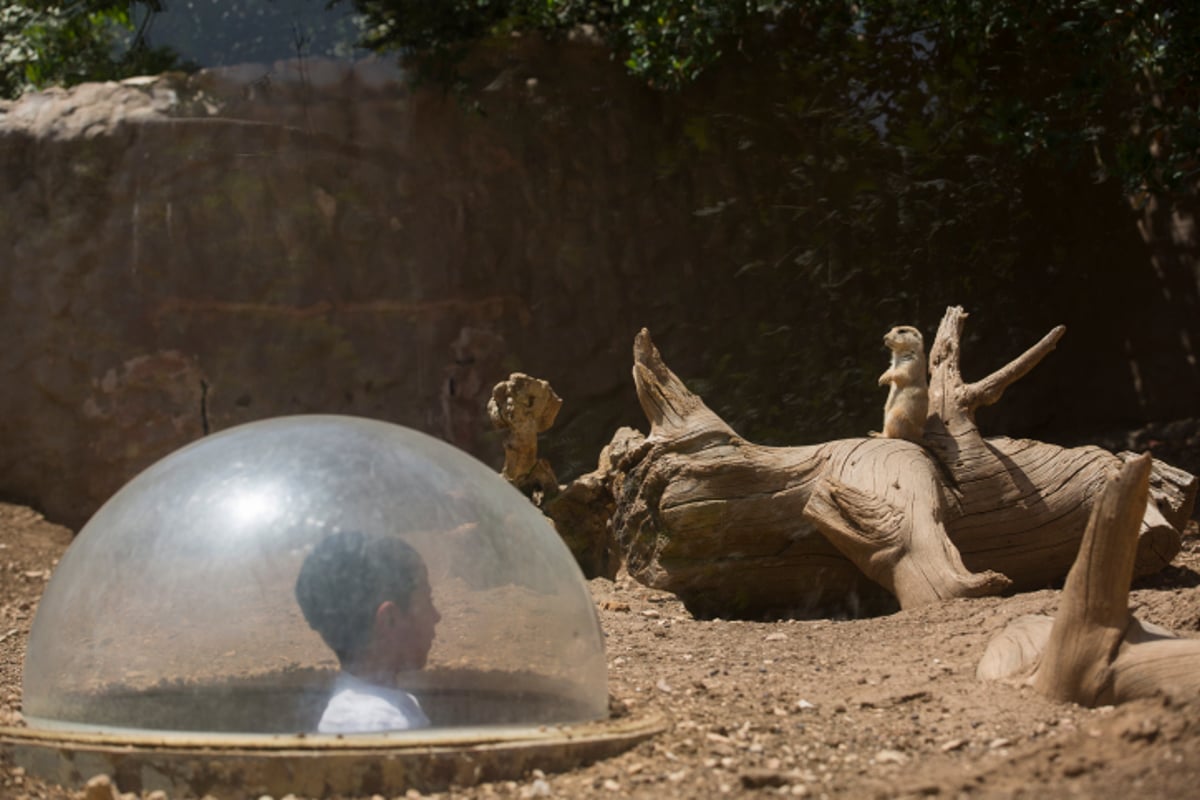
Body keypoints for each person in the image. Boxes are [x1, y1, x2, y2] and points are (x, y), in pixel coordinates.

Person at [294, 530, 441, 733]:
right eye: (427, 601)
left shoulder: (373, 707)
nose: (436, 616)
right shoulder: (380, 723)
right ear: (390, 620)